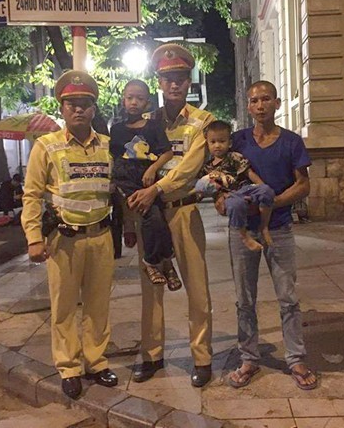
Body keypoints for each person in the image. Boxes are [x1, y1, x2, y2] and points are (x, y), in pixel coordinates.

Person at [21, 70, 118, 400]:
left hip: (101, 235)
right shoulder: (46, 147)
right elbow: (32, 195)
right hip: (63, 240)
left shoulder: (107, 145)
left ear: (94, 108)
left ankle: (96, 361)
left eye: (85, 104)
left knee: (98, 305)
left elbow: (115, 189)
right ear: (62, 108)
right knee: (63, 307)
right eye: (71, 104)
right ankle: (69, 367)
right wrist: (34, 237)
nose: (78, 109)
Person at [218, 80, 318, 391]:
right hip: (242, 231)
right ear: (248, 107)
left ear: (276, 103)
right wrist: (221, 200)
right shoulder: (236, 141)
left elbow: (304, 185)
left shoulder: (290, 142)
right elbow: (220, 176)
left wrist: (271, 202)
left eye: (266, 99)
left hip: (280, 229)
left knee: (288, 298)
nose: (260, 105)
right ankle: (249, 358)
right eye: (254, 100)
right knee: (244, 299)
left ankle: (296, 359)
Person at [127, 43, 215, 388]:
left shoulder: (202, 122)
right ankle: (152, 355)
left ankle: (202, 357)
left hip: (184, 211)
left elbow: (190, 167)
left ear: (189, 82)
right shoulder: (145, 123)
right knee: (151, 287)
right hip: (150, 215)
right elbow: (133, 165)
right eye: (168, 79)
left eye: (180, 78)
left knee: (197, 287)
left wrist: (156, 188)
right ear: (159, 84)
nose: (174, 84)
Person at [110, 80, 182, 290]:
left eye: (139, 98)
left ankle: (162, 261)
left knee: (158, 218)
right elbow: (114, 158)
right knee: (152, 217)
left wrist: (153, 168)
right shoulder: (115, 129)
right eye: (130, 97)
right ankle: (157, 262)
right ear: (123, 100)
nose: (134, 102)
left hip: (148, 179)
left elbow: (167, 152)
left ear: (147, 103)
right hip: (127, 180)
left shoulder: (153, 126)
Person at [195, 120, 275, 251]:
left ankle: (264, 226)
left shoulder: (235, 157)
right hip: (229, 197)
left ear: (230, 142)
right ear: (207, 143)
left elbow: (250, 173)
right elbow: (202, 188)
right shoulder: (207, 167)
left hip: (246, 189)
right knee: (236, 205)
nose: (217, 146)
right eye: (213, 142)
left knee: (267, 191)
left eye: (222, 141)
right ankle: (244, 237)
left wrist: (262, 186)